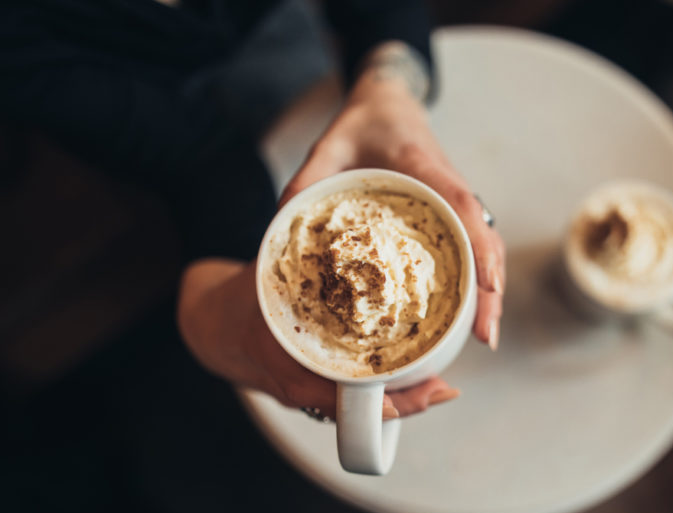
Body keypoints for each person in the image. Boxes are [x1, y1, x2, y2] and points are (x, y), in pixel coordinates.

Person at [0, 0, 505, 419]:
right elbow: (196, 159)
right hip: (121, 86)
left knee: (294, 78)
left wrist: (390, 85)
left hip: (275, 22)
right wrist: (219, 308)